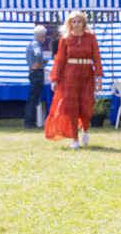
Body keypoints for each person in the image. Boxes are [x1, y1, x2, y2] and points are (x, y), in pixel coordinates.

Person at [44, 11, 103, 149]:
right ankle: (75, 139)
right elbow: (59, 60)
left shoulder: (91, 37)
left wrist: (99, 78)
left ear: (84, 23)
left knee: (87, 107)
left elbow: (97, 58)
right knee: (71, 107)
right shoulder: (65, 39)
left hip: (87, 74)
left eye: (79, 21)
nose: (76, 25)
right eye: (74, 22)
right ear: (70, 24)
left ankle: (86, 128)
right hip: (69, 75)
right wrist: (55, 79)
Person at [24, 25, 47, 129]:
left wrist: (41, 62)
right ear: (42, 35)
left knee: (32, 97)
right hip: (37, 73)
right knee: (34, 98)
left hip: (33, 72)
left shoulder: (31, 43)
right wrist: (39, 62)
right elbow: (37, 53)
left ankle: (29, 122)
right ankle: (29, 123)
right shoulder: (36, 44)